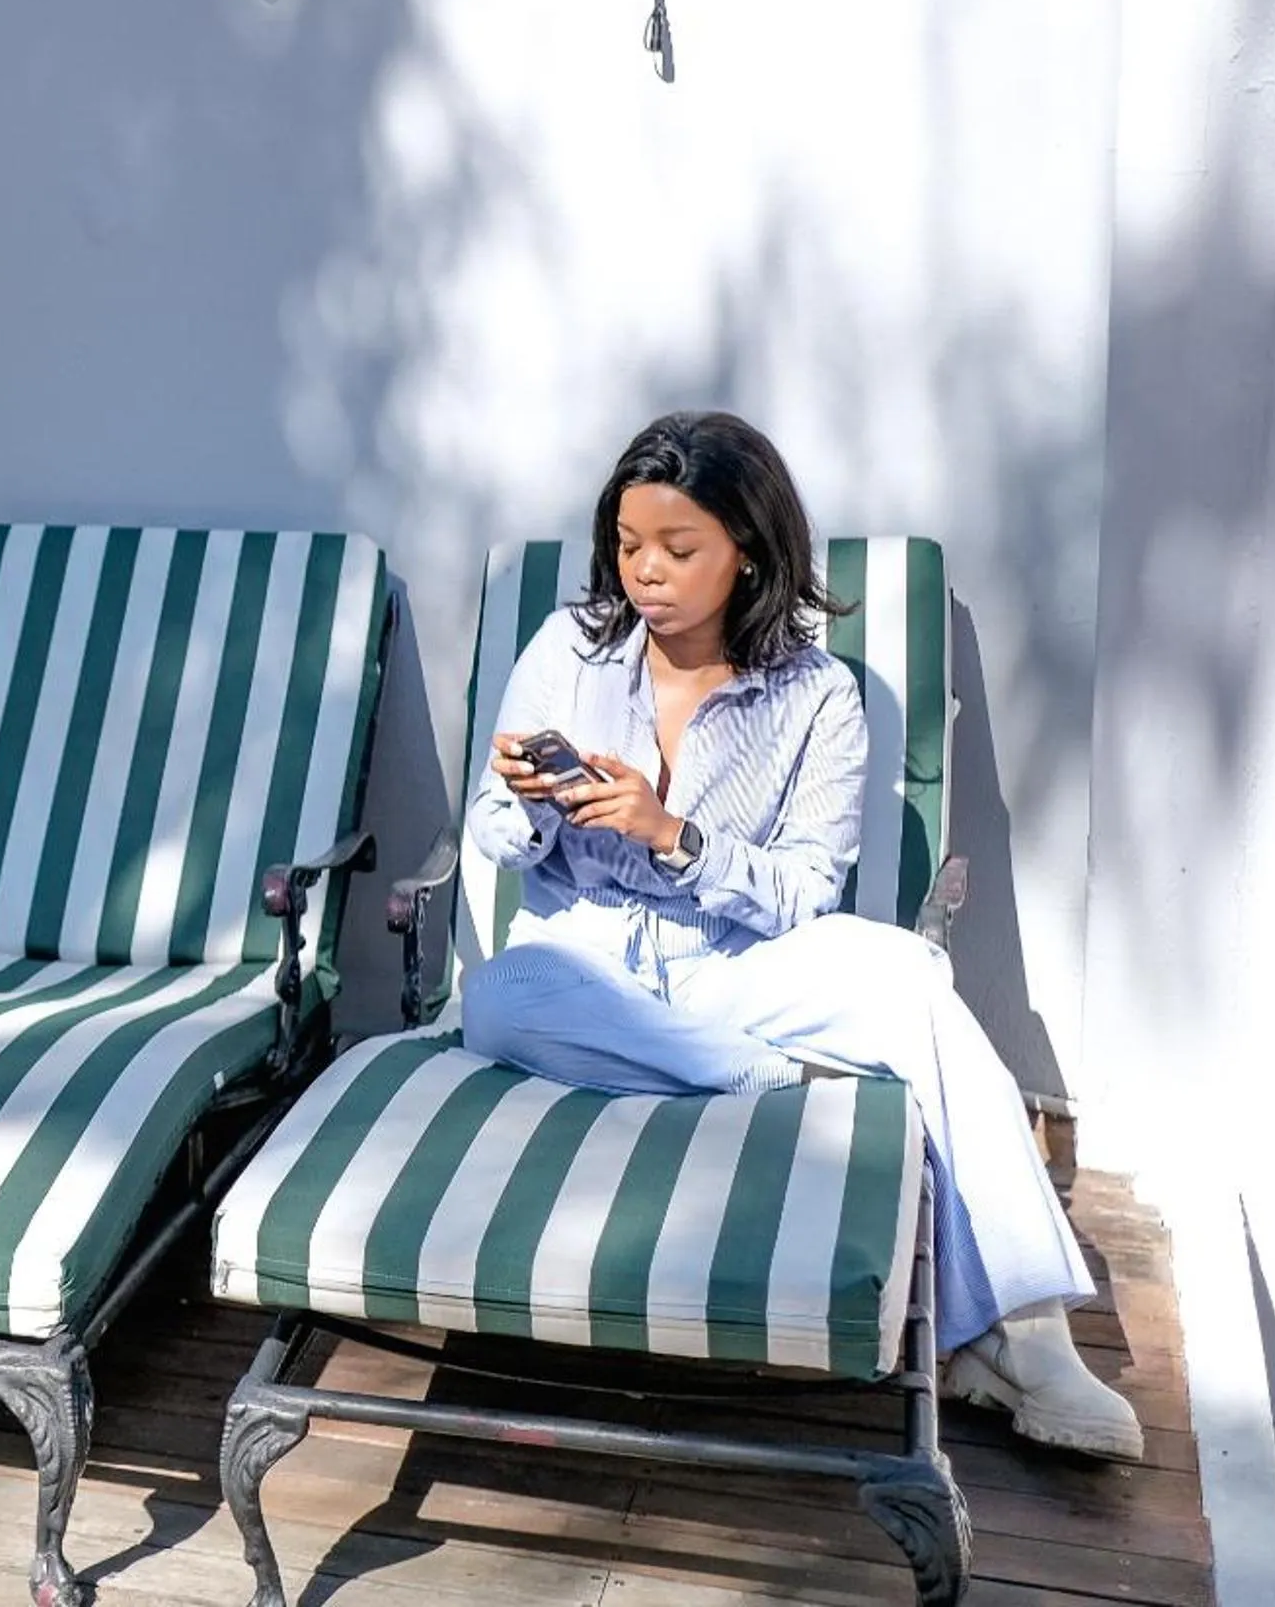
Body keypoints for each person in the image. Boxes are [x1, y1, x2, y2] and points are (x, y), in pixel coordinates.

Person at [458, 410, 1141, 1462]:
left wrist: (672, 833)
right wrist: (523, 796)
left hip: (733, 963)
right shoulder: (566, 648)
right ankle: (766, 1073)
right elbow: (498, 840)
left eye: (676, 549)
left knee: (904, 971)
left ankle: (1026, 1336)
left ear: (747, 551)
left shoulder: (817, 695)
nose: (644, 572)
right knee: (498, 995)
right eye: (627, 544)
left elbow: (800, 895)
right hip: (584, 964)